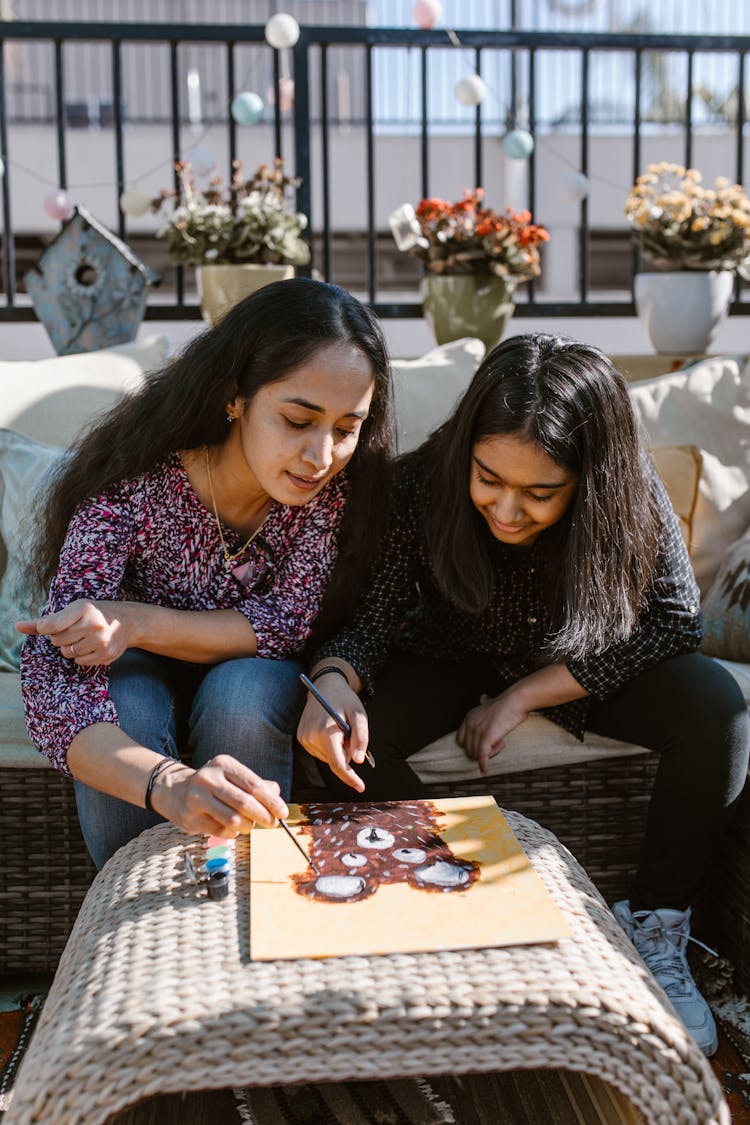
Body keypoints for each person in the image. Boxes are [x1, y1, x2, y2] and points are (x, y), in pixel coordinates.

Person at [297, 332, 750, 1057]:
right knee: (340, 746)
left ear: (587, 478)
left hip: (577, 660)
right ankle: (467, 907)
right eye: (489, 479)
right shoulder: (420, 484)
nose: (507, 510)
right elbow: (370, 623)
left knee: (717, 708)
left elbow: (673, 621)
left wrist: (524, 697)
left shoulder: (627, 483)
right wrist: (332, 684)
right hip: (449, 656)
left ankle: (659, 927)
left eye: (540, 493)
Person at [18, 278, 392, 870]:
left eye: (346, 429)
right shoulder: (130, 487)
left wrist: (135, 621)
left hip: (247, 685)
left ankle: (260, 900)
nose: (321, 457)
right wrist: (168, 783)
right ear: (234, 398)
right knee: (128, 701)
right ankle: (142, 921)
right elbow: (54, 691)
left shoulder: (336, 492)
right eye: (297, 420)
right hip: (135, 684)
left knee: (243, 692)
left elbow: (289, 623)